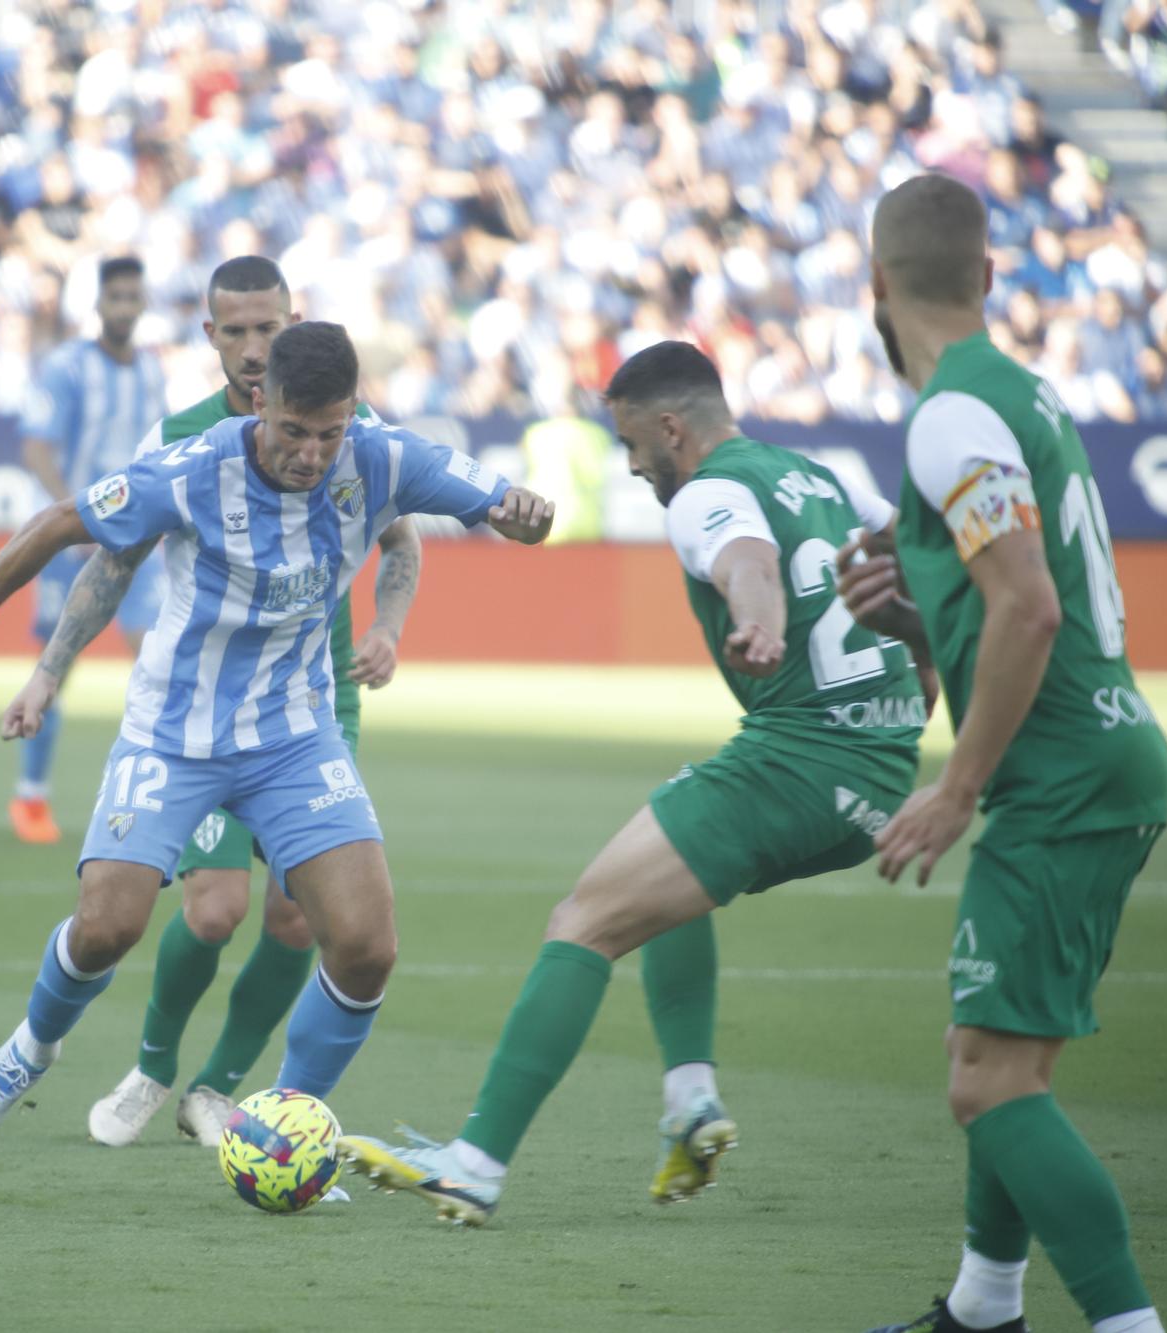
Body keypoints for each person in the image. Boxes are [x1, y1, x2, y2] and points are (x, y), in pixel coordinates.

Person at [0, 321, 554, 1150]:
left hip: (296, 739)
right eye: (293, 431)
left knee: (365, 945)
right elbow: (64, 521)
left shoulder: (385, 456)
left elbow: (508, 506)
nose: (312, 454)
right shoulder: (196, 467)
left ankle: (284, 1124)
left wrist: (524, 514)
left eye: (330, 433)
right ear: (261, 402)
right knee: (108, 926)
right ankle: (31, 1047)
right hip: (174, 734)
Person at [338, 339, 930, 1225]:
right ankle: (691, 1100)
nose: (632, 464)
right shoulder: (822, 478)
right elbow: (927, 563)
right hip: (883, 767)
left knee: (582, 922)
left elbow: (751, 566)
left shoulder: (707, 493)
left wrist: (760, 623)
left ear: (669, 427)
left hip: (802, 758)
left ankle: (474, 1162)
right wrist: (921, 679)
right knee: (667, 879)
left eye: (631, 444)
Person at [845, 173, 1167, 1333]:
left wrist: (954, 788)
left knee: (986, 1083)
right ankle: (983, 1308)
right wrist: (918, 607)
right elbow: (1009, 595)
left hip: (1062, 776)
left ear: (874, 286)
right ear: (986, 278)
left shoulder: (948, 415)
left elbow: (1028, 609)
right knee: (991, 1058)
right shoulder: (1018, 392)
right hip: (1106, 756)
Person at [13, 256, 425, 1151]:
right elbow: (113, 554)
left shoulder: (353, 428)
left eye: (267, 329)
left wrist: (388, 625)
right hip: (203, 711)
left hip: (314, 702)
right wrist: (50, 668)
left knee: (294, 916)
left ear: (293, 326)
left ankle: (218, 1088)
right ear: (210, 335)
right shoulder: (183, 435)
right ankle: (154, 1067)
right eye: (233, 331)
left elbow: (403, 542)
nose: (250, 348)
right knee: (213, 910)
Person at [9, 255, 169, 844]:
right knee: (58, 661)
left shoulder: (152, 373)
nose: (125, 307)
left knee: (158, 661)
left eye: (134, 296)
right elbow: (37, 449)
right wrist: (71, 516)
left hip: (137, 541)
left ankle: (168, 796)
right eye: (116, 297)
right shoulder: (67, 369)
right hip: (72, 541)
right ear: (98, 304)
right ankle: (31, 796)